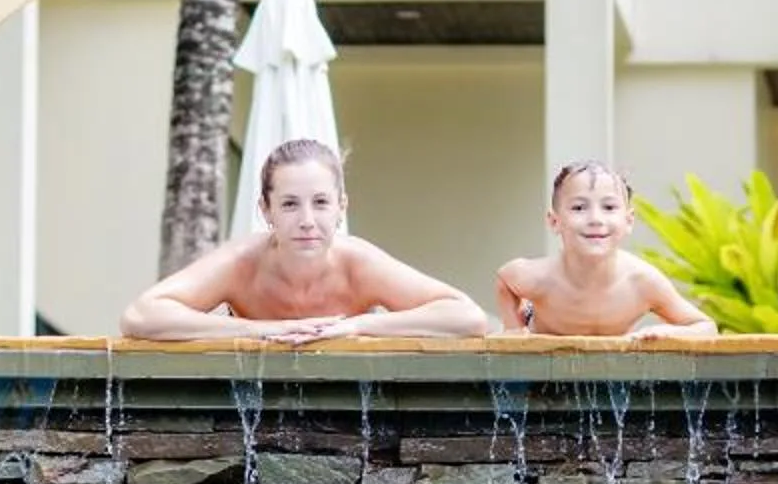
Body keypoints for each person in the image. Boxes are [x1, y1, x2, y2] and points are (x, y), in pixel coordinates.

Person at [119, 137, 490, 343]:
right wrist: (257, 330)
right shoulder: (242, 262)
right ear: (266, 210)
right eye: (290, 204)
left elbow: (467, 317)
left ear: (341, 207)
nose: (307, 221)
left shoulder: (359, 263)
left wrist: (356, 326)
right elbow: (140, 315)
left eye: (321, 203)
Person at [494, 160, 716, 338]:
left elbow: (705, 326)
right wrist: (513, 328)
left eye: (609, 207)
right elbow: (505, 278)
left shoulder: (642, 282)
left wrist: (671, 333)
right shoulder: (540, 278)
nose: (595, 219)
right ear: (554, 222)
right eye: (579, 207)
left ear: (629, 221)